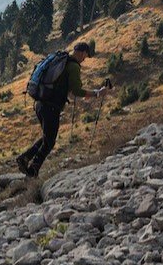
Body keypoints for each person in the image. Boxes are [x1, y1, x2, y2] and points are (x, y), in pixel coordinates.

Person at [16, 42, 108, 177]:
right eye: (85, 56)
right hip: (50, 107)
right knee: (50, 141)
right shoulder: (73, 66)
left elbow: (65, 86)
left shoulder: (62, 61)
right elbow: (76, 90)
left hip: (39, 103)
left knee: (47, 138)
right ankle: (33, 169)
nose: (84, 59)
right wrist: (97, 93)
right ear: (82, 52)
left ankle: (25, 159)